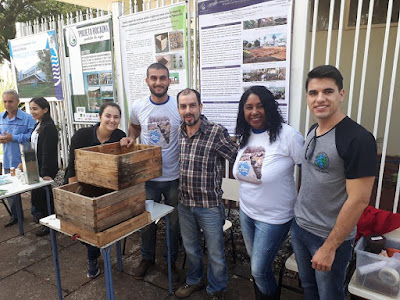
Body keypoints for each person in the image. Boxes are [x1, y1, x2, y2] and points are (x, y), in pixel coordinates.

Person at [292, 65, 377, 299]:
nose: (320, 99)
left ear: (341, 94)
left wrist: (329, 247)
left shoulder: (358, 139)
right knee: (308, 288)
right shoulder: (312, 130)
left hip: (328, 237)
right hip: (301, 228)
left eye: (327, 91)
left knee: (330, 295)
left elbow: (359, 199)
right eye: (313, 93)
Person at [233, 86, 304, 299]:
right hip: (247, 213)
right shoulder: (245, 136)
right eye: (249, 107)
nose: (254, 112)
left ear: (270, 107)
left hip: (274, 218)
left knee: (258, 270)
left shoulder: (289, 136)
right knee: (258, 269)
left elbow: (308, 173)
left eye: (260, 106)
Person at [175, 88, 238, 300]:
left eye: (192, 105)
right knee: (191, 249)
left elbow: (237, 158)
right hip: (184, 204)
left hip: (209, 205)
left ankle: (216, 289)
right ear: (179, 109)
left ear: (200, 107)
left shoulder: (216, 131)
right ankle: (194, 280)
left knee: (216, 253)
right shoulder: (179, 132)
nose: (188, 110)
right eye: (183, 106)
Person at [125, 63, 181, 282]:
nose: (159, 82)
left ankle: (170, 261)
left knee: (173, 222)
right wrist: (132, 138)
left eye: (163, 78)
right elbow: (134, 126)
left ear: (169, 81)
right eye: (154, 78)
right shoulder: (138, 106)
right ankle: (147, 258)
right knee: (146, 220)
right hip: (148, 178)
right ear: (147, 81)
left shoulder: (178, 106)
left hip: (174, 177)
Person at [65, 102, 131, 279]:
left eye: (116, 117)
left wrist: (127, 145)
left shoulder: (119, 135)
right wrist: (74, 193)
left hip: (106, 186)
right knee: (86, 226)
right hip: (83, 184)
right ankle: (92, 257)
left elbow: (122, 164)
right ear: (100, 117)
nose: (112, 120)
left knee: (105, 221)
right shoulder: (82, 135)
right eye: (108, 116)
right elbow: (72, 165)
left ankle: (103, 251)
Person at [0, 89, 35, 227]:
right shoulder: (1, 118)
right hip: (8, 160)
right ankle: (16, 215)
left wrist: (13, 137)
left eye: (10, 101)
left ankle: (36, 214)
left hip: (24, 161)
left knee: (33, 187)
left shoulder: (27, 118)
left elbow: (31, 137)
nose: (7, 104)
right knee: (10, 190)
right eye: (5, 101)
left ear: (17, 102)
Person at [29, 97, 58, 236]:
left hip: (45, 168)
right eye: (30, 109)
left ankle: (49, 224)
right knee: (38, 195)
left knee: (46, 196)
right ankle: (43, 218)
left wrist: (45, 171)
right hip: (36, 166)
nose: (32, 112)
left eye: (35, 109)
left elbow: (48, 152)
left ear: (45, 109)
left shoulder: (49, 128)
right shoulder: (38, 125)